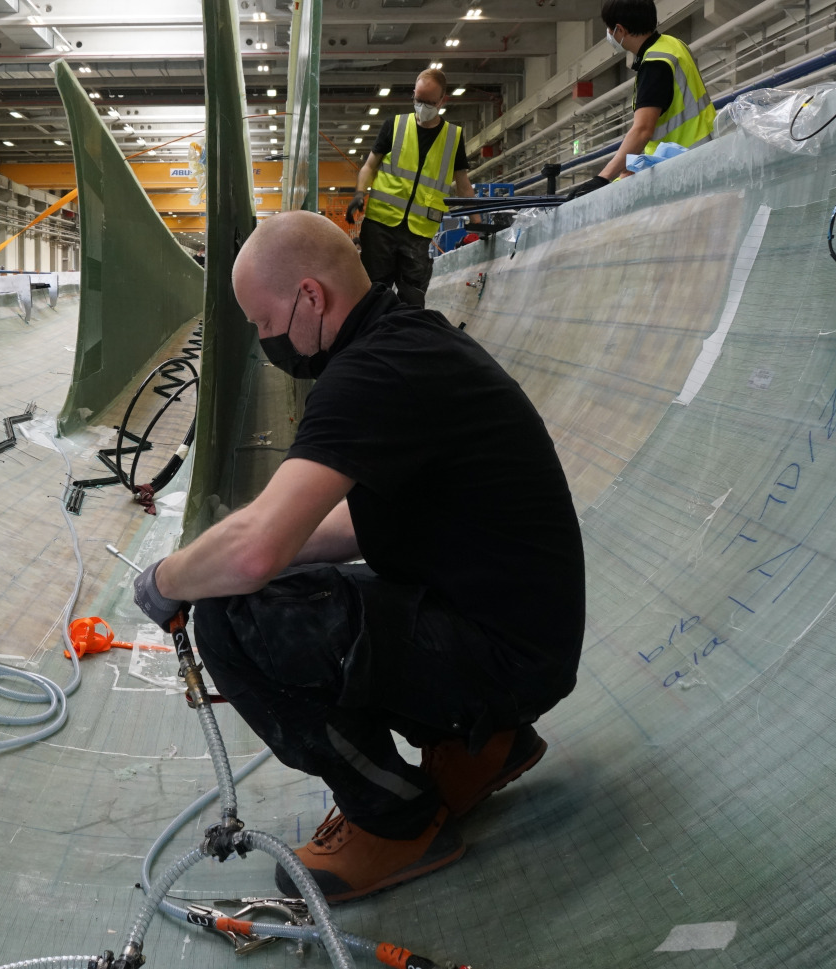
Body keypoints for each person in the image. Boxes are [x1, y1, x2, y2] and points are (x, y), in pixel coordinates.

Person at [132, 212, 586, 903]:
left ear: (310, 297)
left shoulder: (373, 371)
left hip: (507, 657)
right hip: (517, 628)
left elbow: (254, 552)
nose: (263, 340)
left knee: (234, 619)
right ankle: (480, 744)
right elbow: (351, 527)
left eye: (262, 320)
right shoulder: (406, 342)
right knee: (287, 585)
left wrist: (169, 579)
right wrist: (250, 555)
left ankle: (395, 817)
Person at [550, 0, 714, 200]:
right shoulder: (673, 45)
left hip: (683, 166)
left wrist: (602, 178)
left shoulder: (655, 65)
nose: (609, 35)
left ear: (619, 30)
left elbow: (642, 130)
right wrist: (631, 166)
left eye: (609, 29)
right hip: (702, 153)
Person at [345, 67, 471, 308]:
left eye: (430, 102)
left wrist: (476, 221)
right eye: (418, 100)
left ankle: (403, 341)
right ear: (413, 94)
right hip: (381, 226)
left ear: (443, 100)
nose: (423, 107)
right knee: (371, 294)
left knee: (412, 299)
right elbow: (370, 166)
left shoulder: (453, 138)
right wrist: (359, 193)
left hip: (418, 234)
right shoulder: (395, 125)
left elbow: (463, 184)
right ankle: (369, 342)